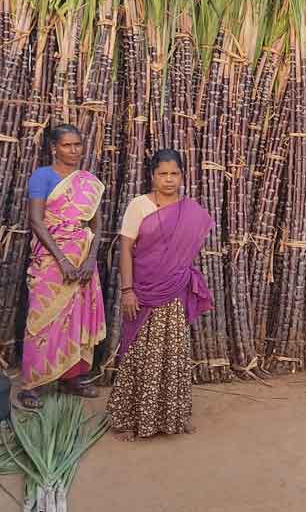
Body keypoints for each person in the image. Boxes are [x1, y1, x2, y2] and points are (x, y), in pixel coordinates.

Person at [107, 149, 214, 439]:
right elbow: (126, 250)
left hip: (174, 291)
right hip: (142, 291)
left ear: (182, 175)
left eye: (174, 174)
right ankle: (129, 418)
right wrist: (127, 290)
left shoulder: (190, 211)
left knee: (173, 352)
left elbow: (184, 252)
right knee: (138, 352)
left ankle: (173, 416)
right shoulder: (138, 206)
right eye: (163, 174)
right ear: (152, 176)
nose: (169, 180)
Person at [18, 124, 106, 409]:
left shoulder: (88, 181)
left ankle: (72, 378)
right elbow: (36, 220)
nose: (74, 150)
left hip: (82, 257)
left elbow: (96, 223)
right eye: (67, 145)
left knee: (77, 316)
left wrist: (91, 259)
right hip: (51, 258)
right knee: (41, 320)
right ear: (53, 147)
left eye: (78, 144)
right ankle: (32, 384)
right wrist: (63, 260)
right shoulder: (42, 177)